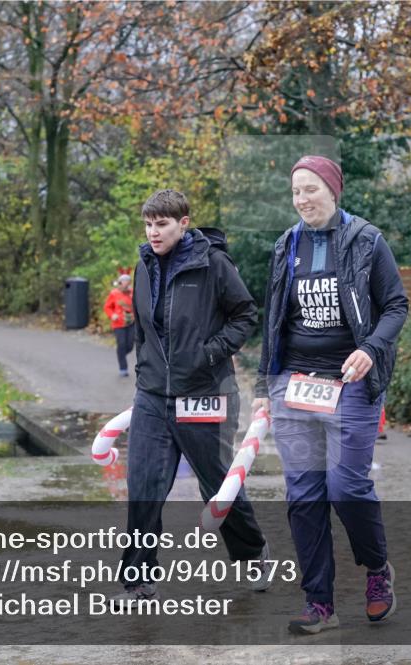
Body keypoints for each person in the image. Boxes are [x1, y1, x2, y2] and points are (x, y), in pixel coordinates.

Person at [252, 155, 408, 635]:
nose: (302, 200)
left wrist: (369, 349)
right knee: (303, 495)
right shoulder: (286, 245)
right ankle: (319, 602)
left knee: (346, 488)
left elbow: (396, 305)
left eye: (311, 190)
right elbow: (273, 318)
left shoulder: (366, 241)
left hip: (352, 384)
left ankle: (377, 570)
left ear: (333, 191)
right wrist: (263, 387)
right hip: (295, 385)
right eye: (296, 191)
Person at [114, 188, 271, 605]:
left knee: (215, 483)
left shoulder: (213, 264)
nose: (153, 232)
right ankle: (138, 582)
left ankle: (252, 551)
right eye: (148, 224)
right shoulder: (144, 265)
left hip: (204, 391)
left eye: (161, 224)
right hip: (153, 395)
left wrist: (209, 354)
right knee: (145, 486)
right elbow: (143, 327)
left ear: (184, 224)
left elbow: (245, 315)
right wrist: (146, 371)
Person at [103, 272, 135, 377]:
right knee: (121, 344)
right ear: (120, 282)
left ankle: (121, 354)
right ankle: (123, 368)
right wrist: (112, 315)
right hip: (118, 323)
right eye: (124, 281)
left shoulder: (132, 292)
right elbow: (107, 307)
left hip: (131, 322)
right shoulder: (114, 293)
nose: (126, 283)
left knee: (130, 345)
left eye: (128, 281)